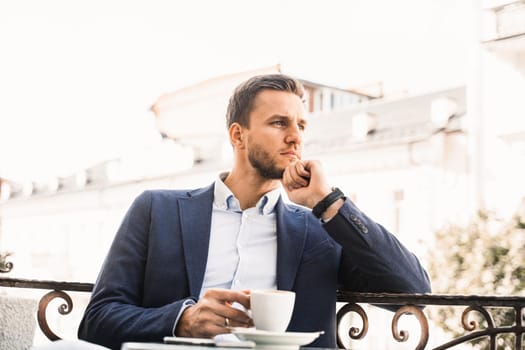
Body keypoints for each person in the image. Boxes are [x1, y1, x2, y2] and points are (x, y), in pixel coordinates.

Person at [78, 74, 431, 349]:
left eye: (301, 126)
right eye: (280, 123)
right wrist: (182, 320)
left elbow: (413, 292)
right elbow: (97, 320)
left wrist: (329, 202)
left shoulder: (320, 230)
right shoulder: (157, 210)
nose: (295, 137)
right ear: (238, 135)